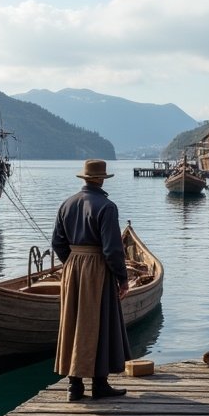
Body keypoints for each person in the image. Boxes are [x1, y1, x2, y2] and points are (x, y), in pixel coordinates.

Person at [52, 159, 131, 400]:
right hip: (97, 269)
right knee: (101, 322)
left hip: (72, 268)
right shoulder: (107, 207)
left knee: (74, 323)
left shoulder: (66, 204)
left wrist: (73, 262)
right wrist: (122, 278)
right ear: (101, 179)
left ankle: (74, 387)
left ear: (85, 178)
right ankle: (100, 385)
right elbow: (112, 250)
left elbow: (57, 243)